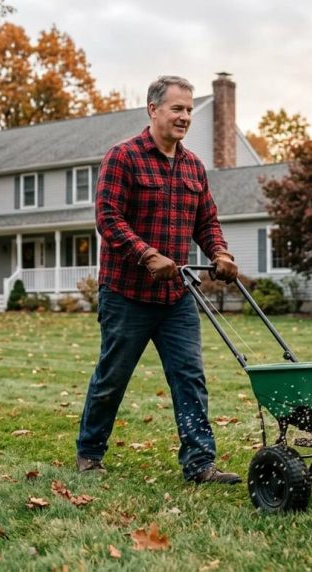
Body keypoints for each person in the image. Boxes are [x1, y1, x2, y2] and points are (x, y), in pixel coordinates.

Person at [75, 75, 241, 484]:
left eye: (188, 109)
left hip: (176, 297)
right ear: (153, 110)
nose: (185, 116)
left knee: (190, 377)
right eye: (177, 109)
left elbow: (206, 222)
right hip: (126, 293)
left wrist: (219, 252)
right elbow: (108, 219)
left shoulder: (193, 167)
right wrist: (146, 254)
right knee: (113, 375)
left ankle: (200, 464)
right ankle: (90, 452)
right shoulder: (123, 157)